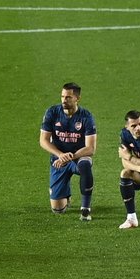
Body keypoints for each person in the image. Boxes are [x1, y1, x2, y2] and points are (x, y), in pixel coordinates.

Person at [39, 82, 97, 219]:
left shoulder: (86, 117)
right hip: (58, 159)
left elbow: (91, 148)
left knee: (85, 165)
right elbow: (43, 140)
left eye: (68, 97)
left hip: (78, 156)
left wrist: (71, 156)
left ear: (77, 98)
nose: (64, 100)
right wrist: (60, 155)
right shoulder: (52, 113)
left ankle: (85, 208)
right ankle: (65, 193)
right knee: (58, 209)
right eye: (62, 96)